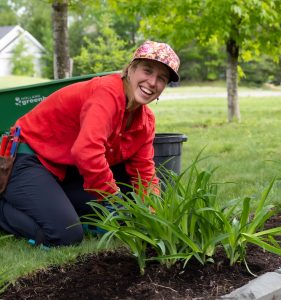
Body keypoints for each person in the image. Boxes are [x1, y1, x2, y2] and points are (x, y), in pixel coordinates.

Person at [0, 40, 180, 247]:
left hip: (64, 169)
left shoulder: (145, 120)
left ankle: (53, 206)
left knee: (130, 190)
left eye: (161, 79)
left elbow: (144, 173)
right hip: (28, 160)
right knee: (65, 235)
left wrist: (154, 213)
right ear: (130, 69)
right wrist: (113, 198)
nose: (152, 82)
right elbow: (87, 152)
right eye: (147, 71)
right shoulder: (107, 93)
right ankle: (4, 208)